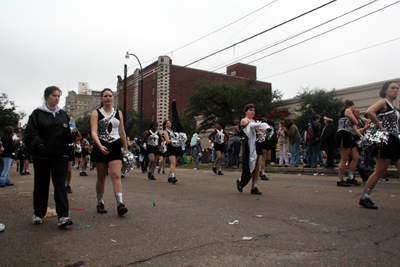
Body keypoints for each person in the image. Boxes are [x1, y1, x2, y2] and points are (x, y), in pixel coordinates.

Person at [25, 86, 76, 228]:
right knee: (41, 184)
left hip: (60, 155)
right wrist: (40, 146)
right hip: (42, 156)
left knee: (60, 185)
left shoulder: (63, 115)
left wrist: (71, 135)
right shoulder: (37, 114)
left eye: (59, 95)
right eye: (54, 95)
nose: (57, 98)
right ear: (47, 96)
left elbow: (68, 135)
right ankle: (39, 213)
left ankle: (63, 216)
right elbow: (30, 133)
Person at [359, 81, 400, 209]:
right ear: (386, 90)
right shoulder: (383, 102)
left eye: (398, 88)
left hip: (395, 141)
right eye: (393, 88)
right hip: (386, 141)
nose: (396, 90)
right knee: (379, 172)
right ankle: (365, 197)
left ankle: (365, 197)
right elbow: (370, 111)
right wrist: (380, 126)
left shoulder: (393, 107)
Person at [90, 88, 128, 216]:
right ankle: (100, 202)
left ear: (113, 98)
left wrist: (126, 149)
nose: (108, 98)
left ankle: (120, 204)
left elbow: (122, 132)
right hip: (100, 145)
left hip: (115, 146)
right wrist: (100, 146)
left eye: (110, 96)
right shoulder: (96, 113)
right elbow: (93, 132)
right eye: (105, 96)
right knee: (101, 176)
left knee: (116, 174)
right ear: (101, 98)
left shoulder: (118, 113)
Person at [236, 104, 271, 195]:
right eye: (250, 110)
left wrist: (264, 132)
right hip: (248, 146)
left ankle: (254, 187)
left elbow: (259, 130)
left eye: (254, 110)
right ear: (246, 111)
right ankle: (241, 181)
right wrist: (262, 125)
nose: (252, 112)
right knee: (249, 166)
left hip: (257, 145)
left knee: (257, 167)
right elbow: (250, 126)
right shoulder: (244, 120)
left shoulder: (255, 122)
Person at [336, 100, 363, 187]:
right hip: (344, 135)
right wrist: (356, 118)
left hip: (349, 135)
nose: (355, 110)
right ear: (351, 106)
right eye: (354, 108)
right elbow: (356, 122)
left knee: (356, 157)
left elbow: (354, 128)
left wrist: (362, 136)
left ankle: (351, 177)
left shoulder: (349, 116)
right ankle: (340, 179)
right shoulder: (347, 111)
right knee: (344, 159)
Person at [65, 112, 81, 193]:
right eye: (68, 115)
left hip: (69, 148)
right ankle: (61, 185)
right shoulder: (61, 124)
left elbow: (79, 136)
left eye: (70, 115)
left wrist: (72, 140)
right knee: (61, 169)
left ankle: (67, 185)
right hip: (61, 147)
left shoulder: (72, 126)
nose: (69, 117)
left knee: (69, 170)